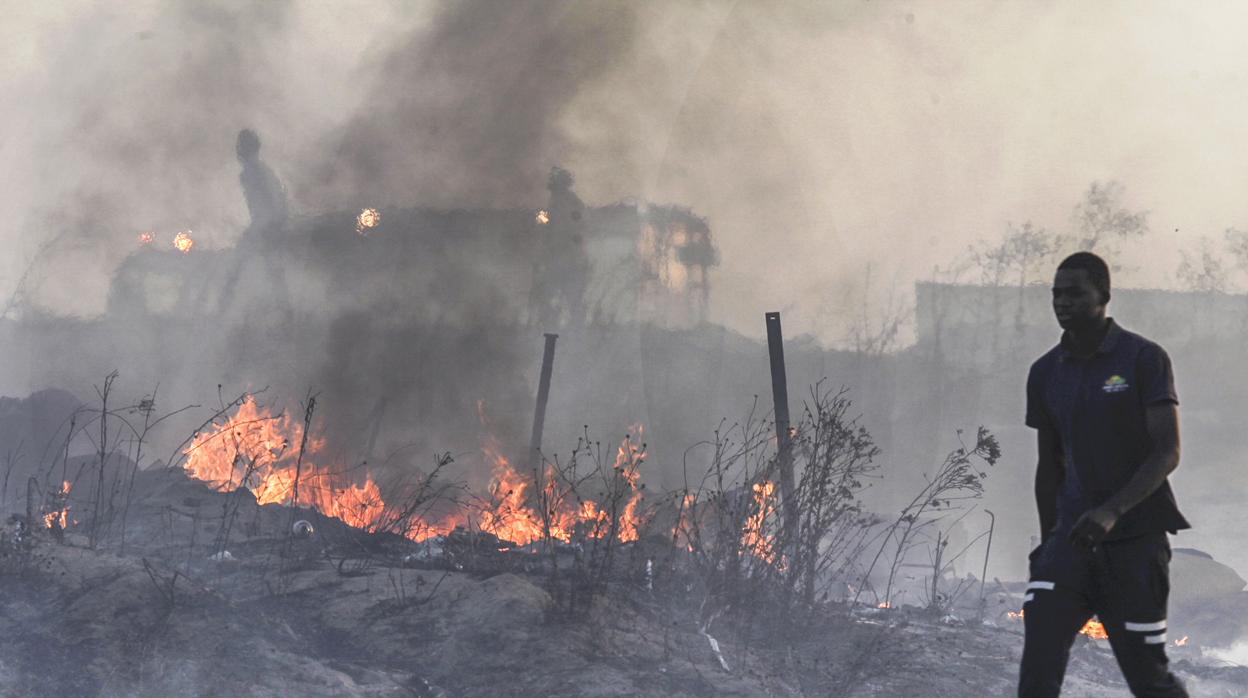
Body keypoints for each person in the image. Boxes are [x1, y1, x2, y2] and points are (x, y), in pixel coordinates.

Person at [1019, 252, 1189, 697]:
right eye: (1056, 294)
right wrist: (1048, 543)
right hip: (1070, 547)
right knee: (1037, 673)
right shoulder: (1044, 372)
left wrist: (1112, 511)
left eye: (1075, 293)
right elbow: (1049, 467)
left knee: (1148, 679)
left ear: (1104, 296)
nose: (1062, 302)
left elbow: (1167, 452)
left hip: (1136, 545)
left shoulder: (1143, 359)